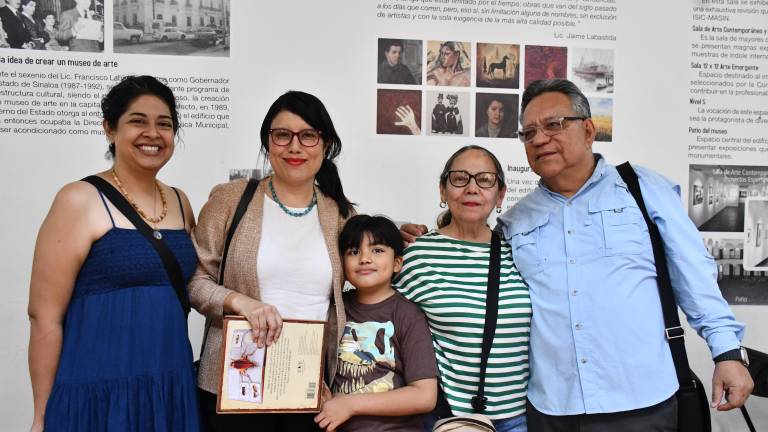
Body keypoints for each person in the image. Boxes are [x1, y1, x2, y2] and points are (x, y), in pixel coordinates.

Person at [402, 79, 754, 431]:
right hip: (550, 410)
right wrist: (404, 240)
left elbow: (695, 276)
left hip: (640, 402)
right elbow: (472, 263)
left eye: (554, 125)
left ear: (588, 130)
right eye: (528, 133)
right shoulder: (513, 223)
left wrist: (726, 353)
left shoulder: (643, 190)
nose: (539, 139)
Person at [27, 75, 200, 432]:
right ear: (110, 128)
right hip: (98, 391)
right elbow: (44, 317)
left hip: (169, 385)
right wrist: (43, 415)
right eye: (138, 121)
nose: (152, 133)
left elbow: (196, 285)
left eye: (164, 124)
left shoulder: (181, 201)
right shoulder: (78, 199)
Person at [191, 90, 355, 431]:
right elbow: (195, 282)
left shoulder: (339, 214)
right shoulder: (231, 199)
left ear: (326, 146)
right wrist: (240, 302)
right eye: (282, 135)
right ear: (268, 143)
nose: (295, 147)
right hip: (235, 387)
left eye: (308, 135)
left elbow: (372, 266)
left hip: (308, 390)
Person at [395, 145, 531, 432]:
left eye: (484, 180)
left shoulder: (519, 251)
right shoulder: (418, 255)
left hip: (520, 417)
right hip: (449, 419)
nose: (472, 188)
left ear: (501, 194)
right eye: (459, 179)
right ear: (443, 191)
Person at [314, 215, 438, 431]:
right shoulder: (333, 308)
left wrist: (350, 405)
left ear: (397, 263)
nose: (364, 258)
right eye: (354, 251)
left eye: (377, 250)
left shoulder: (408, 315)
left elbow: (425, 395)